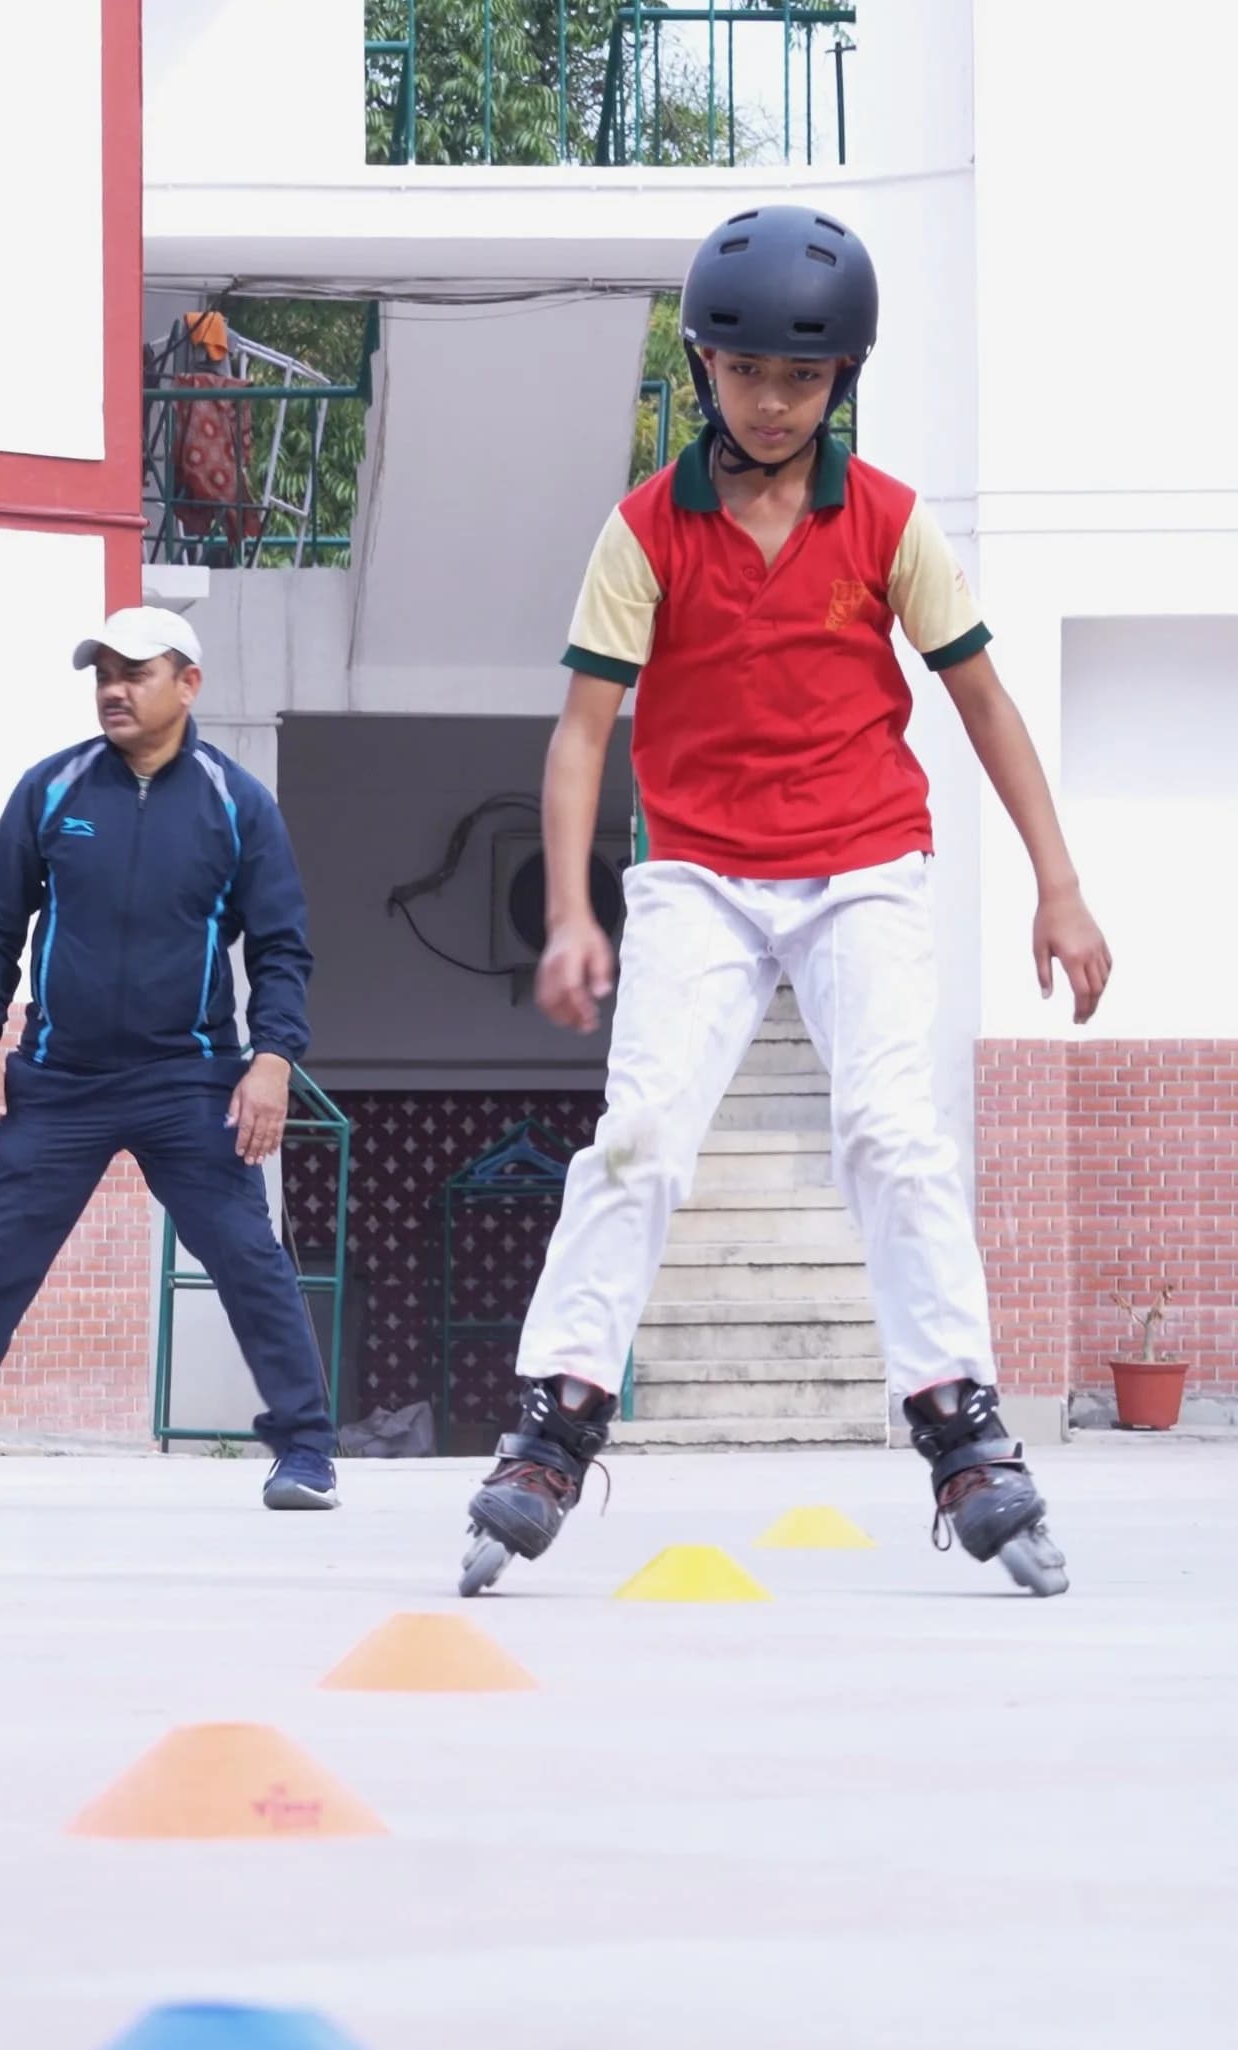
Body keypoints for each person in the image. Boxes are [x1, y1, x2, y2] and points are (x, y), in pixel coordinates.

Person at [454, 204, 1113, 1597]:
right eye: (745, 372)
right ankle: (552, 1423)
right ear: (701, 365)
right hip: (694, 869)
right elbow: (582, 731)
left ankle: (963, 1432)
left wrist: (1059, 884)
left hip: (864, 861)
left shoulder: (885, 523)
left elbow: (980, 702)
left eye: (800, 380)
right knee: (637, 1136)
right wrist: (574, 909)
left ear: (840, 385)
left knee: (891, 1130)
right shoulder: (643, 531)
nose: (769, 401)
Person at [0, 608, 340, 1510]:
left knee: (247, 1254)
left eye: (136, 673)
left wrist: (272, 1059)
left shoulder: (237, 803)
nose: (114, 690)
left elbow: (281, 946)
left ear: (187, 684)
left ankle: (306, 1449)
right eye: (103, 674)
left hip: (187, 1081)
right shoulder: (53, 790)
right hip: (60, 1082)